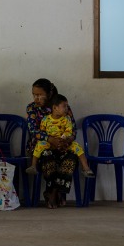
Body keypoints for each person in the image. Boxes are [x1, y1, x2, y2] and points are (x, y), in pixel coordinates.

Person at [25, 78, 81, 209]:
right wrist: (50, 139)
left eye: (39, 95)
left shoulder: (63, 107)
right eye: (34, 94)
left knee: (71, 158)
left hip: (63, 145)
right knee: (47, 156)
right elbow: (33, 130)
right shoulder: (32, 108)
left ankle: (52, 192)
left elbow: (73, 129)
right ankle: (56, 193)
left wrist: (68, 140)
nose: (36, 98)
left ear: (49, 94)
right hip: (41, 146)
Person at [26, 94, 93, 182]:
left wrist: (65, 140)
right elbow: (42, 132)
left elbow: (69, 131)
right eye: (64, 106)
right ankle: (33, 166)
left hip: (64, 142)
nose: (66, 108)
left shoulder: (67, 119)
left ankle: (86, 168)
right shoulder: (46, 119)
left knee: (77, 147)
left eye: (66, 106)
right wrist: (50, 140)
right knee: (39, 145)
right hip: (49, 143)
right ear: (55, 108)